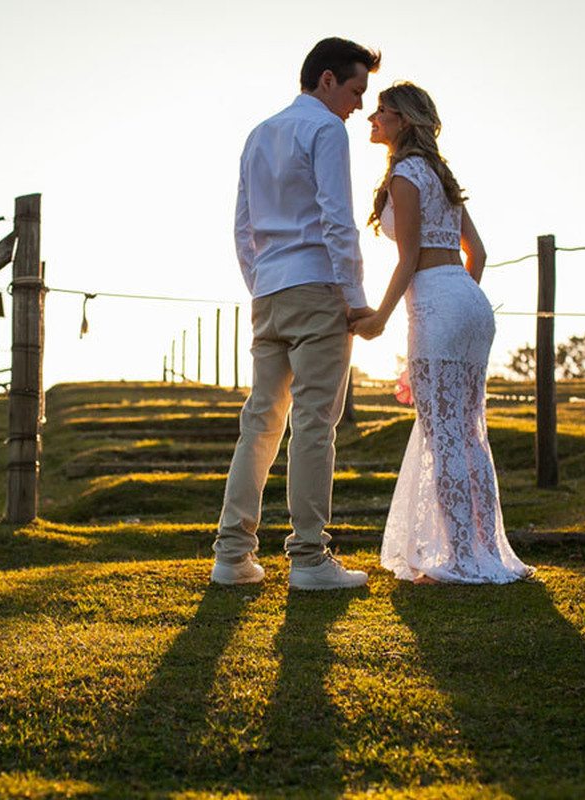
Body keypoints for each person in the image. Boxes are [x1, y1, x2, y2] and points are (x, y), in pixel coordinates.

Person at [210, 37, 381, 590]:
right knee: (313, 423)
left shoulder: (259, 133)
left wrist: (260, 283)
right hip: (317, 288)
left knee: (260, 423)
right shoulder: (325, 130)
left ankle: (232, 556)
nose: (358, 105)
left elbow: (241, 227)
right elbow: (337, 219)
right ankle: (309, 559)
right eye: (356, 90)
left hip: (269, 294)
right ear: (327, 80)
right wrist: (355, 299)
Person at [352, 82, 535, 584]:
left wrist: (379, 319)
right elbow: (477, 250)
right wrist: (457, 299)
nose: (373, 118)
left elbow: (408, 258)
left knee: (443, 434)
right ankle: (482, 549)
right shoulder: (440, 173)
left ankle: (461, 556)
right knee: (468, 430)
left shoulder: (408, 173)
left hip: (438, 301)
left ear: (404, 121)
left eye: (382, 112)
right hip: (469, 302)